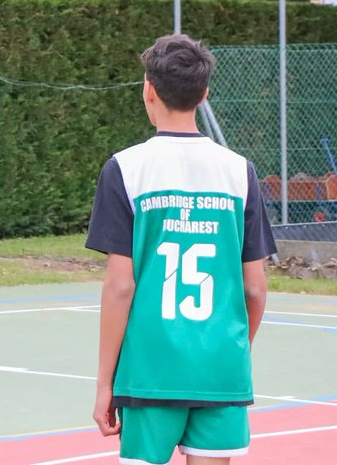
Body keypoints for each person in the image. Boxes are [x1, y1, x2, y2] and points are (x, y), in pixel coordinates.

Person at [87, 34, 276, 465]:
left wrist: (104, 384)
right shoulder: (239, 172)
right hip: (219, 367)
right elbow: (255, 291)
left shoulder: (125, 169)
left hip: (150, 369)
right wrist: (231, 351)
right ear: (205, 94)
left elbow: (120, 287)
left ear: (147, 89)